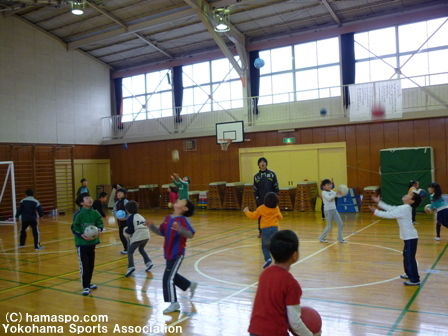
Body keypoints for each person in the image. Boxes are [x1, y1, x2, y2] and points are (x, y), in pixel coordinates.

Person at [248, 230, 319, 336]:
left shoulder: (265, 274)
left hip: (254, 331)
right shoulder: (291, 284)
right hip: (274, 333)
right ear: (295, 255)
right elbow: (295, 323)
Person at [148, 198, 198, 314]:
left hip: (177, 253)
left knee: (167, 279)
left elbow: (190, 235)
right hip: (168, 252)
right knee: (172, 276)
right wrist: (151, 226)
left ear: (184, 208)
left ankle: (174, 303)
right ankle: (189, 285)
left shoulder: (183, 220)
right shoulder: (167, 218)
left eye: (182, 201)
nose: (178, 200)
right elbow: (162, 232)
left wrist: (180, 229)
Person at [369, 192, 422, 286]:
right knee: (406, 256)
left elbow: (389, 214)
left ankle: (415, 279)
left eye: (409, 195)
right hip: (409, 237)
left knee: (410, 258)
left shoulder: (404, 208)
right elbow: (391, 208)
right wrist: (379, 202)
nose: (406, 194)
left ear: (411, 201)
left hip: (411, 237)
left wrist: (375, 211)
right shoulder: (404, 208)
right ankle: (409, 274)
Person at [71, 193, 103, 295]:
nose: (90, 199)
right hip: (82, 244)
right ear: (81, 203)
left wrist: (99, 230)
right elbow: (74, 227)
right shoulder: (78, 215)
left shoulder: (95, 213)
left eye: (90, 197)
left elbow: (100, 222)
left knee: (91, 264)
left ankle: (89, 283)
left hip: (92, 243)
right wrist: (81, 235)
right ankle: (85, 286)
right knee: (84, 265)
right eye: (87, 198)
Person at [244, 192, 282, 269]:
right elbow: (280, 217)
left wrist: (247, 211)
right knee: (275, 246)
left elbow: (254, 216)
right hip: (275, 229)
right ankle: (278, 260)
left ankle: (268, 259)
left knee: (265, 246)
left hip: (265, 229)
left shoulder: (261, 208)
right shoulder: (276, 208)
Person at [123, 201, 153, 277]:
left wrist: (125, 230)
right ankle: (148, 262)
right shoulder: (140, 216)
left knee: (130, 251)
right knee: (141, 249)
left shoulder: (130, 218)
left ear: (127, 210)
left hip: (139, 237)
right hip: (146, 236)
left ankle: (131, 267)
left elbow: (130, 230)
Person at [253, 157, 279, 238]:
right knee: (260, 216)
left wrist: (275, 196)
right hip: (260, 199)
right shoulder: (256, 176)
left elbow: (276, 186)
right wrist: (257, 197)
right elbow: (255, 189)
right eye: (261, 162)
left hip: (271, 200)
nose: (262, 163)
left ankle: (273, 231)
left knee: (272, 215)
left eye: (264, 162)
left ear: (266, 164)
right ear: (258, 165)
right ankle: (261, 232)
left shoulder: (272, 174)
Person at [319, 179, 346, 243]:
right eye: (328, 185)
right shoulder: (323, 192)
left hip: (334, 210)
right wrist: (335, 194)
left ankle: (340, 238)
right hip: (328, 211)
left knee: (340, 224)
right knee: (329, 226)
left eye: (330, 184)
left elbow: (338, 196)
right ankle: (321, 238)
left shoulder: (332, 191)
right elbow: (329, 198)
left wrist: (341, 193)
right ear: (324, 186)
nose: (329, 186)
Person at [113, 188, 129, 254]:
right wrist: (118, 216)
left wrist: (126, 218)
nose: (118, 194)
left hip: (126, 222)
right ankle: (126, 248)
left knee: (126, 236)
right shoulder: (117, 203)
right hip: (120, 222)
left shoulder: (126, 202)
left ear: (124, 195)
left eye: (120, 193)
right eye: (118, 193)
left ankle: (127, 249)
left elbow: (130, 212)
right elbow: (114, 211)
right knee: (121, 236)